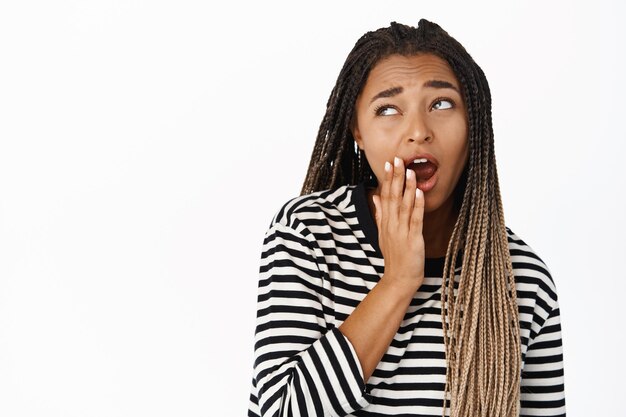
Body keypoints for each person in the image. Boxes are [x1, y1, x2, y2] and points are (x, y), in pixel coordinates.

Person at [248, 19, 565, 417]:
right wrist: (398, 281)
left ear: (475, 124)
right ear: (358, 132)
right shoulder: (307, 234)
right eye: (388, 109)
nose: (418, 131)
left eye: (442, 104)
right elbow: (279, 410)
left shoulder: (524, 279)